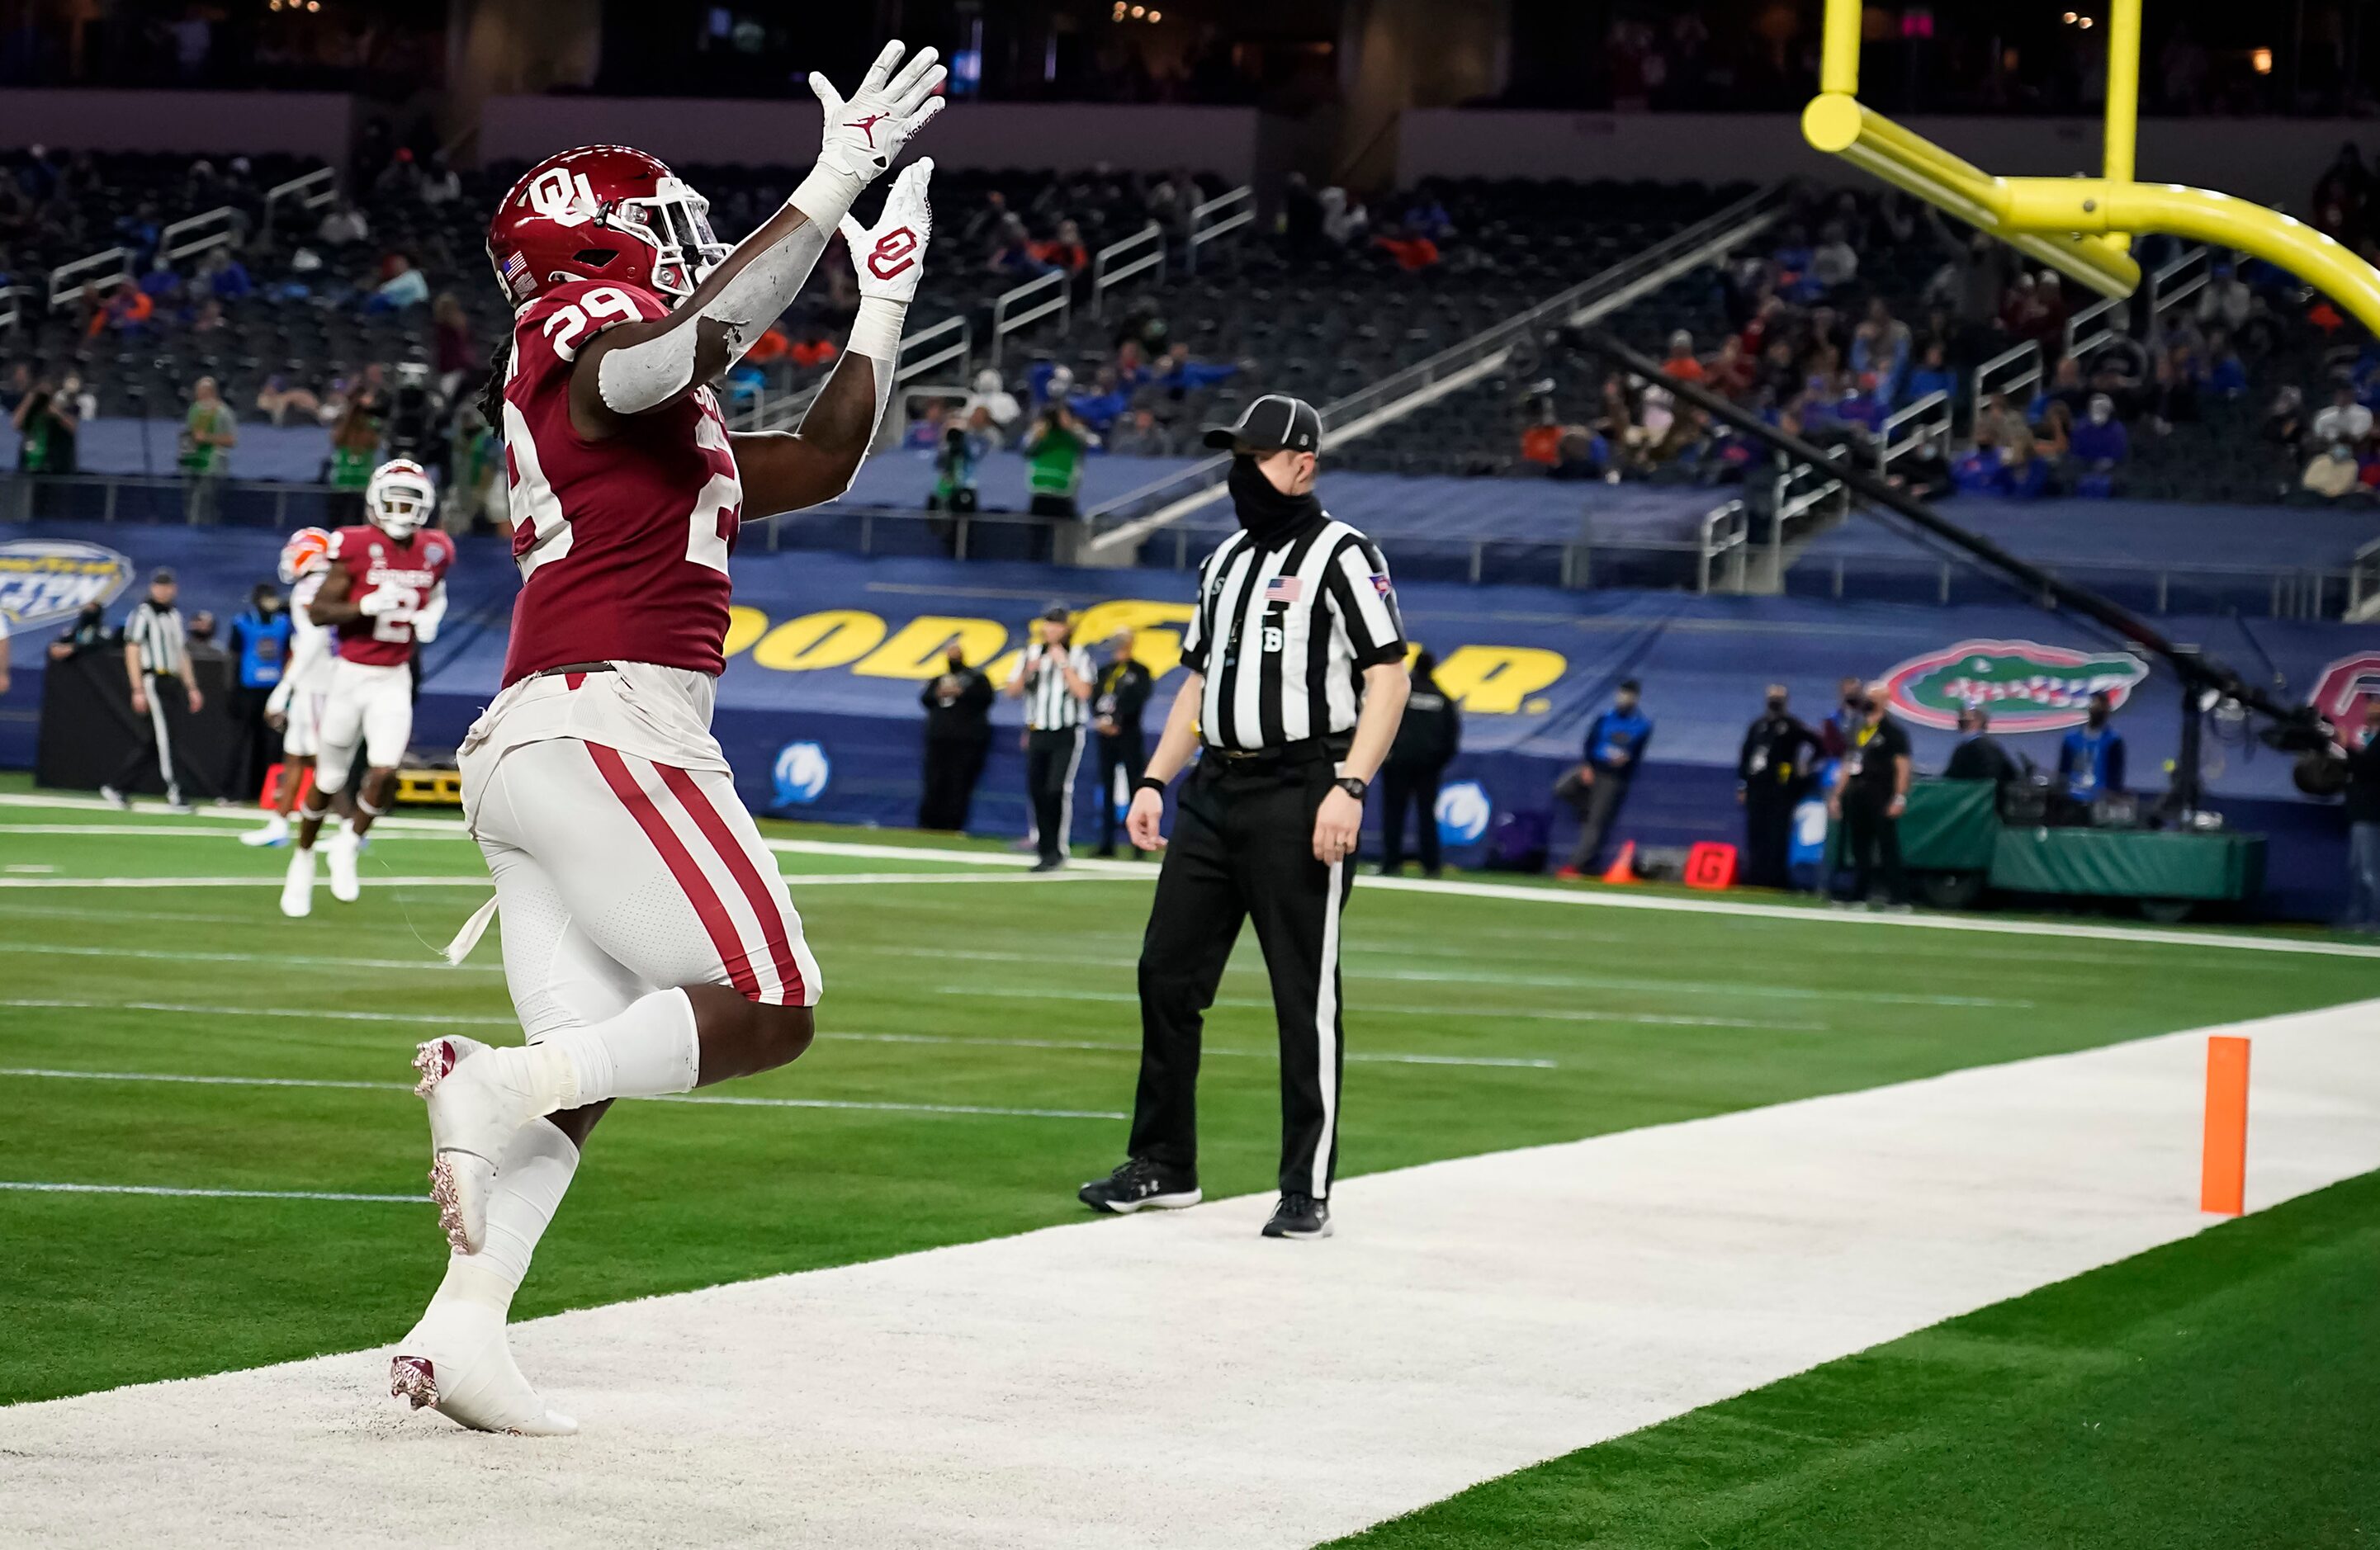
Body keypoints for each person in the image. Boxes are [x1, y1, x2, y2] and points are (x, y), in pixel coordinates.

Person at [389, 55, 945, 1438]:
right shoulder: (587, 343)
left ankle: (461, 1328)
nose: (683, 245)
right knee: (768, 996)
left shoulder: (636, 407)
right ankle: (492, 1079)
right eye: (662, 228)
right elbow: (667, 350)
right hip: (607, 715)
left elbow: (816, 460)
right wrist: (828, 183)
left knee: (593, 1060)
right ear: (600, 241)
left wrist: (879, 300)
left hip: (544, 734)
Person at [1079, 394, 1409, 1241]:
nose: (1240, 472)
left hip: (1302, 789)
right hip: (1215, 790)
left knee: (1303, 995)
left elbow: (1388, 677)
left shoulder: (1345, 553)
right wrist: (1156, 778)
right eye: (1237, 455)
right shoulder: (1224, 559)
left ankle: (1307, 1185)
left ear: (1303, 464)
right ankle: (1165, 1162)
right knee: (1167, 975)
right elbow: (1197, 682)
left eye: (1256, 456)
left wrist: (1352, 786)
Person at [281, 460, 457, 916]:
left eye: (409, 502)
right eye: (393, 500)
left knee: (384, 770)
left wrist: (432, 615)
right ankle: (302, 859)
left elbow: (436, 591)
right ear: (375, 503)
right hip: (350, 675)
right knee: (329, 778)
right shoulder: (354, 545)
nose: (400, 509)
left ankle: (349, 843)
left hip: (393, 677)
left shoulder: (436, 549)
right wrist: (363, 605)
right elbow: (320, 612)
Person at [242, 528, 336, 848]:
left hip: (317, 679)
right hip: (316, 677)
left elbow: (313, 641)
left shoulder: (311, 588)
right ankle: (279, 822)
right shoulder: (325, 582)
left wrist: (285, 686)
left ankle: (350, 827)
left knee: (319, 758)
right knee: (296, 752)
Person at [99, 568, 206, 813]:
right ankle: (176, 792)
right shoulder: (143, 614)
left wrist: (192, 687)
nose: (164, 590)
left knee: (155, 740)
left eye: (167, 585)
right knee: (165, 739)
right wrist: (137, 688)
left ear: (174, 588)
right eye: (159, 586)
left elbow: (181, 653)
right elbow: (132, 650)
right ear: (152, 588)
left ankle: (117, 786)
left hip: (172, 681)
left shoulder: (175, 615)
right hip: (153, 680)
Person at [1003, 604, 1094, 872]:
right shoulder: (1030, 654)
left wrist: (1063, 664)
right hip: (1037, 731)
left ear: (1066, 629)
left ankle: (1057, 848)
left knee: (1056, 789)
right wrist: (1027, 671)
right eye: (1048, 624)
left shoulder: (1078, 656)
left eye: (1057, 625)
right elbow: (1012, 691)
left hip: (1065, 731)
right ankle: (1044, 849)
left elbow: (1084, 692)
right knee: (1037, 790)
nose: (1051, 629)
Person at [1554, 679, 1653, 878]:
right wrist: (1587, 765)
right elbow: (1590, 741)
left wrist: (1626, 760)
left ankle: (1578, 864)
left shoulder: (1641, 725)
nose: (1625, 699)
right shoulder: (1605, 717)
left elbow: (1636, 753)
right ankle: (1586, 807)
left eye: (1629, 695)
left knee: (1595, 824)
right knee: (1562, 788)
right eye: (1623, 694)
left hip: (1613, 777)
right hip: (1594, 768)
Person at [1829, 681, 1911, 908]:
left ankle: (1899, 898)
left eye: (1873, 698)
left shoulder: (1894, 733)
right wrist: (1837, 794)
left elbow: (1903, 767)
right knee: (1859, 847)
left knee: (1887, 846)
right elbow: (1848, 762)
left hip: (1881, 792)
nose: (1868, 702)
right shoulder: (1858, 728)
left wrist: (1899, 796)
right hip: (1858, 792)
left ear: (1885, 701)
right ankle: (1858, 895)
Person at [1379, 649, 1459, 877]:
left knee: (1393, 814)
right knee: (1427, 816)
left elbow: (1383, 723)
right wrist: (1437, 762)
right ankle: (1431, 865)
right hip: (1428, 768)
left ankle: (1391, 863)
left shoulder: (1401, 694)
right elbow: (1451, 737)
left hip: (1398, 765)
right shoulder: (1442, 698)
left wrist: (1388, 755)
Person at [1736, 683, 1819, 890]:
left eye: (1778, 698)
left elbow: (1818, 744)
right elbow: (1745, 755)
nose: (1774, 701)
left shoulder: (1792, 725)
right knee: (1756, 832)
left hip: (1781, 788)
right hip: (1757, 786)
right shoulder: (1758, 725)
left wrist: (1805, 768)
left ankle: (1777, 877)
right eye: (1772, 697)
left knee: (1778, 833)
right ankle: (1755, 874)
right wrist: (1743, 784)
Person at [226, 580, 292, 805]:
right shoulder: (243, 622)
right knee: (241, 742)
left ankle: (266, 792)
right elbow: (233, 657)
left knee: (272, 745)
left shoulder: (284, 622)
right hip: (248, 689)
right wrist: (232, 690)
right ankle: (231, 792)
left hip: (273, 691)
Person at [1091, 630, 1154, 859]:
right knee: (1106, 787)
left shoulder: (1139, 671)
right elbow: (1095, 697)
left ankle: (1140, 844)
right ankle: (1106, 842)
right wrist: (1101, 720)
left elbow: (1138, 698)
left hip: (1128, 734)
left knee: (1135, 787)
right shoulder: (1105, 671)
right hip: (1105, 736)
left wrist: (1118, 720)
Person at [916, 645, 994, 831]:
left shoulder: (976, 679)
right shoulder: (938, 680)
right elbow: (926, 699)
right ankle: (928, 823)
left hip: (966, 741)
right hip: (938, 740)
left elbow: (986, 699)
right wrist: (937, 693)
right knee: (934, 781)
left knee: (959, 783)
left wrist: (961, 693)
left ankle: (953, 824)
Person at [2058, 691, 2127, 815]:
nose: (2098, 709)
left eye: (2102, 706)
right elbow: (2063, 771)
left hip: (2101, 800)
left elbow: (2116, 774)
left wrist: (2113, 795)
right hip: (2072, 798)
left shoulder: (2113, 740)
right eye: (2095, 704)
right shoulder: (2071, 739)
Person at [179, 376, 237, 524]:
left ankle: (202, 530)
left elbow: (231, 440)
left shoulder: (223, 412)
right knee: (190, 500)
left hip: (213, 465)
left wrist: (207, 438)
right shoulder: (194, 410)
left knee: (203, 501)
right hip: (193, 463)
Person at [2343, 701, 2380, 932]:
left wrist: (2347, 748)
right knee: (2358, 868)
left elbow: (2368, 769)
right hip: (2362, 813)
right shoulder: (2371, 741)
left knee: (2370, 871)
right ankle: (2358, 916)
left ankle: (2376, 919)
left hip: (2371, 814)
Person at [1023, 403, 1092, 520]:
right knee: (1037, 533)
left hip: (1064, 492)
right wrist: (1037, 431)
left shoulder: (1073, 435)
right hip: (1041, 490)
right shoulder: (1042, 434)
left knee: (1063, 534)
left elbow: (1085, 443)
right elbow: (1026, 451)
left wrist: (1069, 426)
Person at [1943, 705, 2022, 788]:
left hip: (1981, 796)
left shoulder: (1985, 747)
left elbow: (1991, 777)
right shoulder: (1965, 746)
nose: (1961, 723)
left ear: (1978, 722)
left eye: (1966, 721)